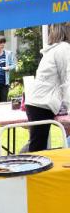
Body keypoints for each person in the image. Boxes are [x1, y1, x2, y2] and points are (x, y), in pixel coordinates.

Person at [25, 22, 70, 152]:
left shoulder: (54, 49)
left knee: (37, 145)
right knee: (38, 147)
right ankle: (31, 170)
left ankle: (29, 167)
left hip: (37, 102)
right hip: (42, 103)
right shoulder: (64, 48)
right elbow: (67, 81)